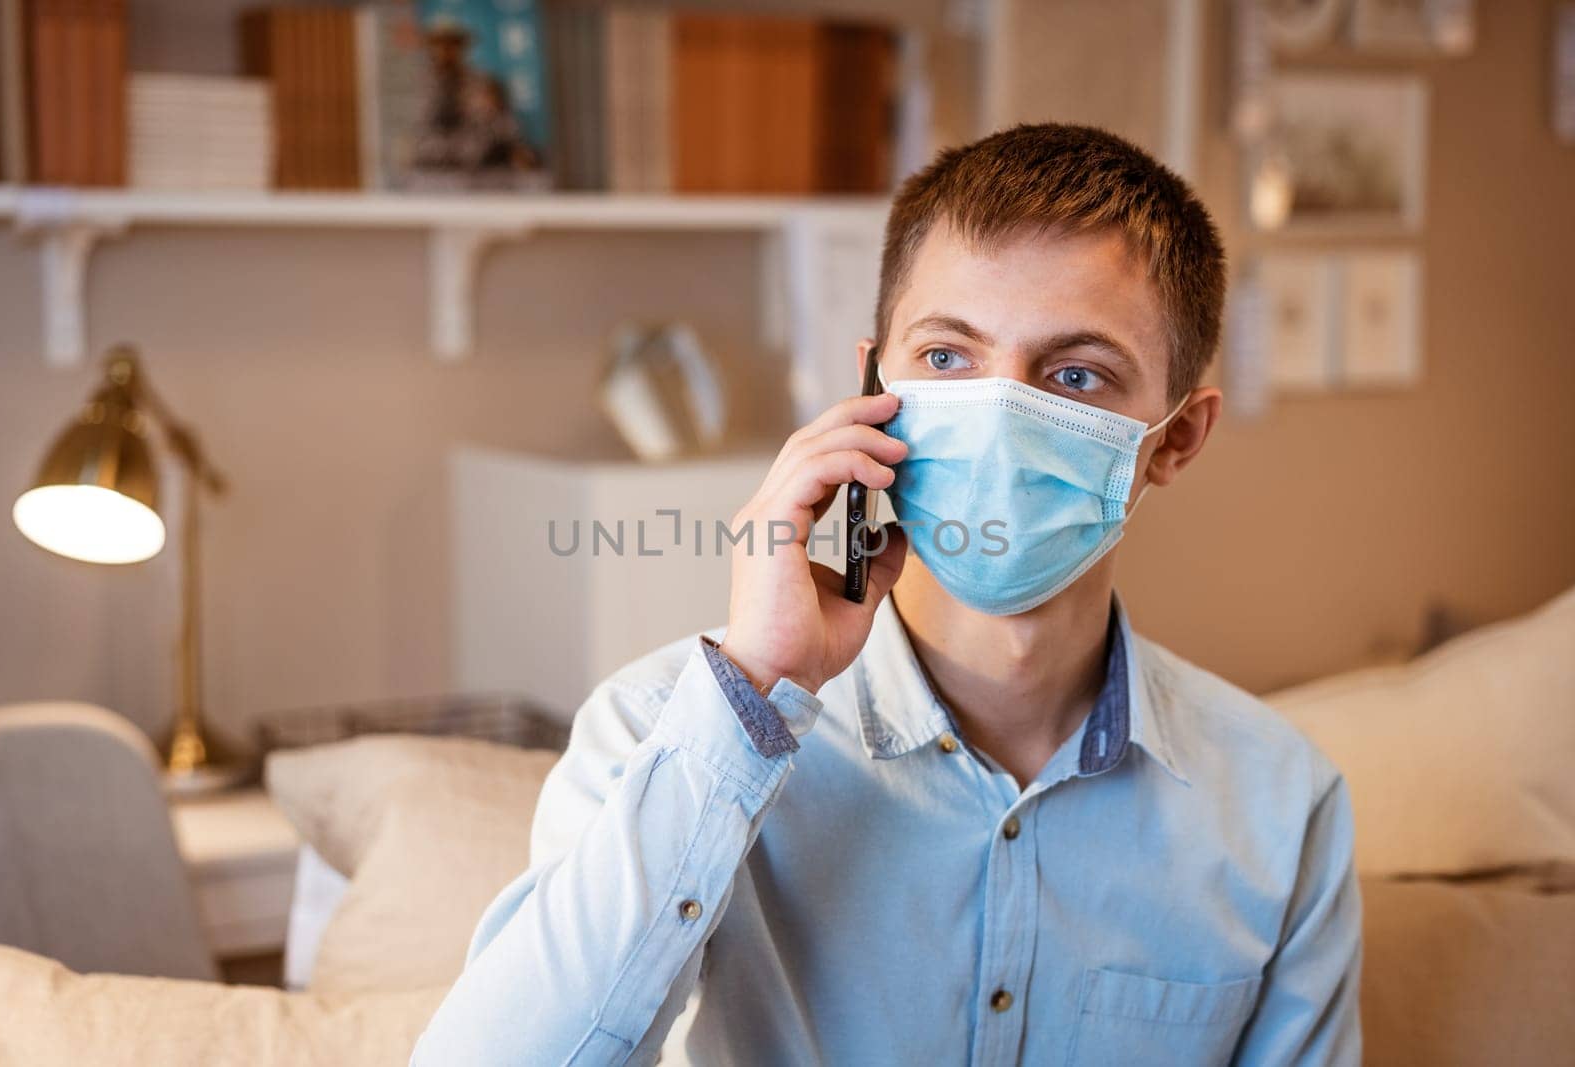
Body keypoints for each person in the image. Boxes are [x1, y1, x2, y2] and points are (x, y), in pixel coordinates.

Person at [412, 123, 1361, 1066]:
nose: (999, 413)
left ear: (1177, 438)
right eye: (948, 358)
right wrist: (755, 688)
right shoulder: (659, 730)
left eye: (1076, 374)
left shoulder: (1283, 808)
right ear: (875, 382)